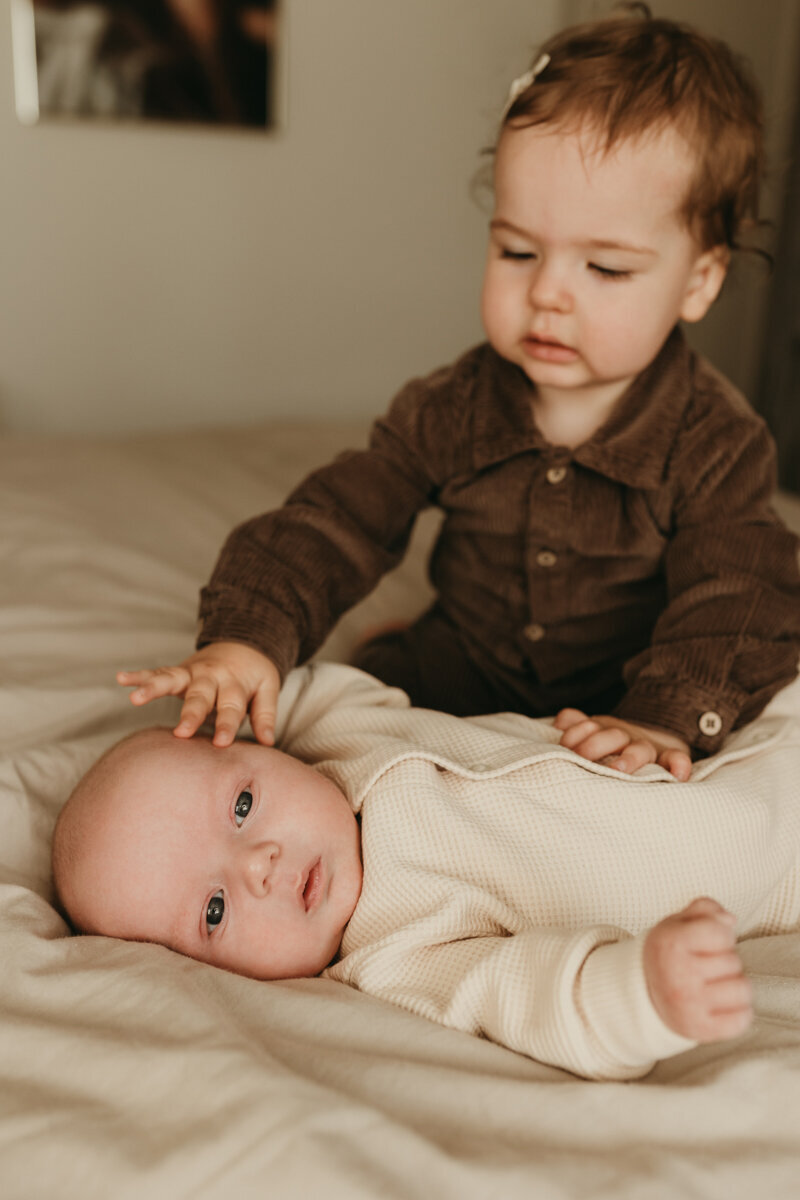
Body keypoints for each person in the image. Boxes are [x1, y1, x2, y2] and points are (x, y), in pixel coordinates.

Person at [117, 6, 800, 781]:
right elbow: (335, 516)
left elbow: (740, 593)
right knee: (315, 731)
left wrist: (664, 716)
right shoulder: (452, 408)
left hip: (621, 704)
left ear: (699, 281)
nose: (548, 293)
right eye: (517, 250)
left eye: (604, 269)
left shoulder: (718, 443)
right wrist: (248, 632)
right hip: (457, 677)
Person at [53, 663, 800, 1080]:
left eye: (243, 804)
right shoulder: (396, 956)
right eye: (214, 911)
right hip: (774, 861)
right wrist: (645, 990)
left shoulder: (336, 735)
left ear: (261, 746)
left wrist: (234, 659)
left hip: (749, 725)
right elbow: (534, 996)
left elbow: (287, 677)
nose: (260, 866)